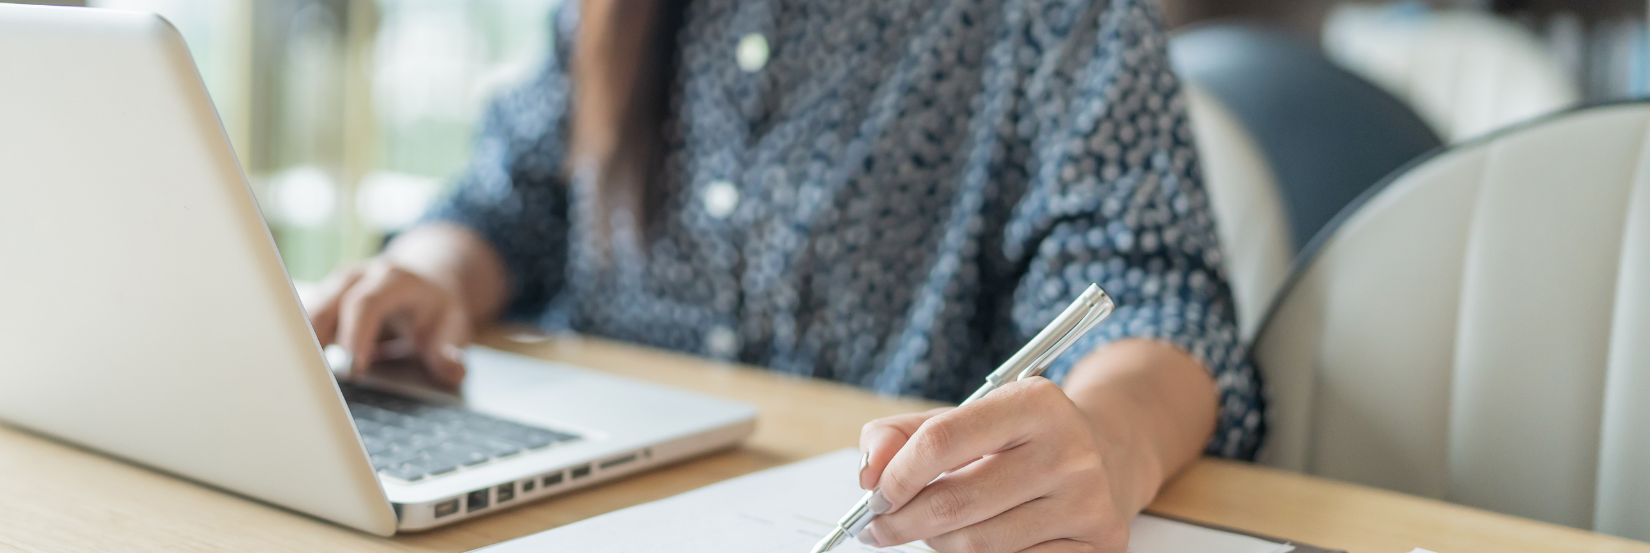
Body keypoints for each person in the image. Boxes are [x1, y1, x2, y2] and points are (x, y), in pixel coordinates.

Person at [309, 0, 1263, 551]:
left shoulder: (1052, 22)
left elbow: (1157, 301)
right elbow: (507, 200)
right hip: (589, 495)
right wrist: (424, 274)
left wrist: (1109, 437)